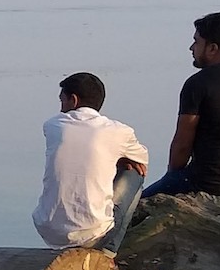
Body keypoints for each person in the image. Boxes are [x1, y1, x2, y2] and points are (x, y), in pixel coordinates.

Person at [141, 12, 220, 199]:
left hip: (210, 183)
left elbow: (182, 144)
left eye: (196, 42)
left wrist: (172, 178)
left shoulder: (198, 84)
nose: (191, 48)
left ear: (212, 48)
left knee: (138, 206)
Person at [32, 72, 149, 250]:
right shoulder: (118, 131)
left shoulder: (52, 125)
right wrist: (120, 159)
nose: (61, 108)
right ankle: (109, 250)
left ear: (74, 100)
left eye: (62, 101)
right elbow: (142, 160)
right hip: (92, 234)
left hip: (49, 229)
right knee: (134, 173)